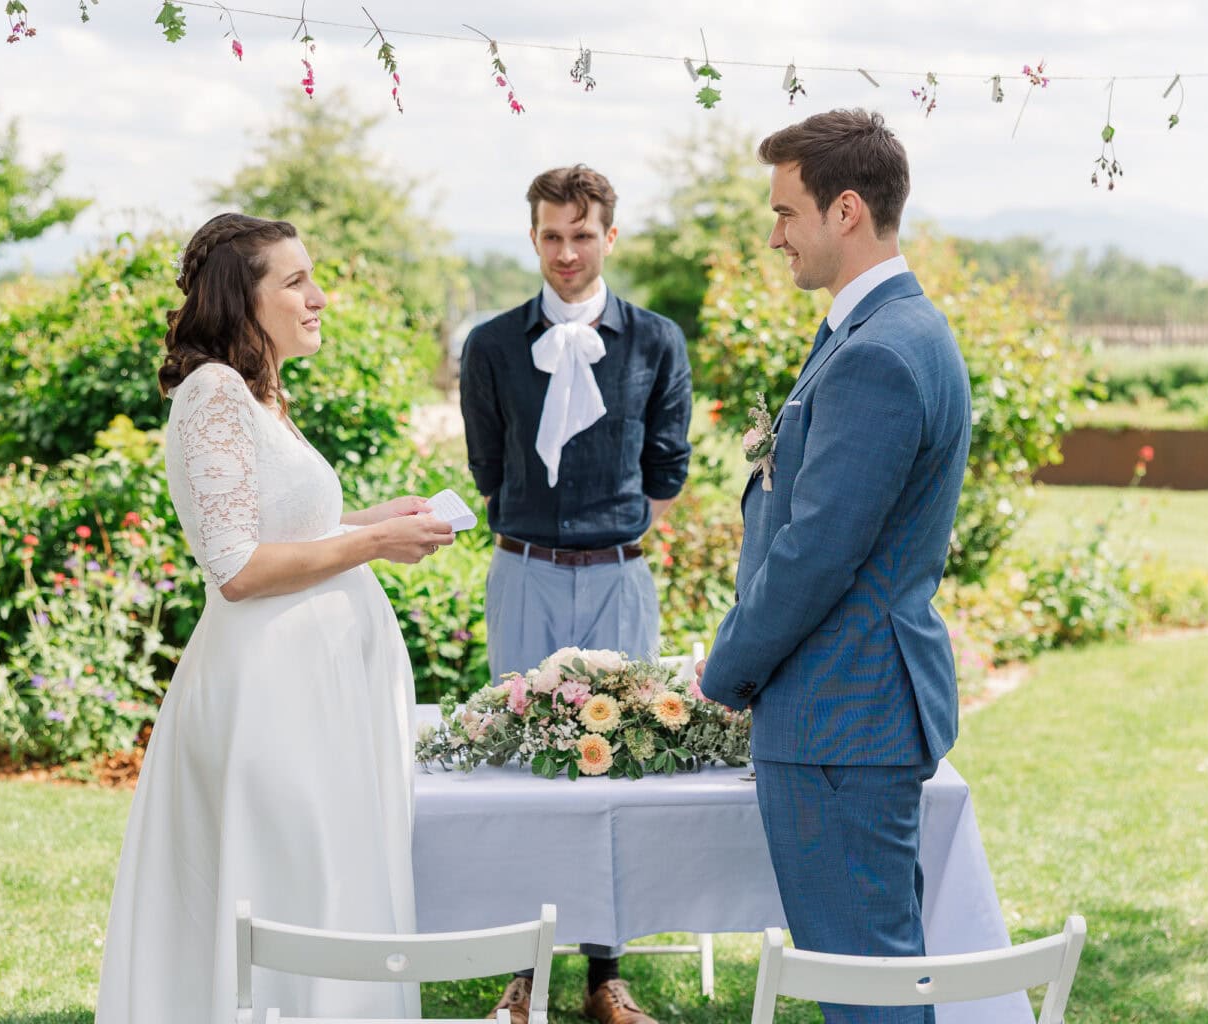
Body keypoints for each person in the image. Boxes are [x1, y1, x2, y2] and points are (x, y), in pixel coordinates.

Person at [95, 212, 456, 1024]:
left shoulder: (258, 396)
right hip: (269, 700)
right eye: (295, 282)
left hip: (309, 693)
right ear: (242, 299)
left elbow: (277, 530)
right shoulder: (214, 393)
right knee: (289, 877)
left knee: (321, 877)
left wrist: (370, 524)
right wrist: (370, 544)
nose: (318, 296)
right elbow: (237, 567)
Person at [697, 110, 972, 1024]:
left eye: (785, 212)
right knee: (872, 971)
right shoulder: (889, 329)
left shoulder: (883, 354)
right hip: (852, 709)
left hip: (839, 713)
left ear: (845, 209)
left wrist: (728, 672)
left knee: (865, 987)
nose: (774, 234)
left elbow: (816, 551)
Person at [458, 165, 692, 1024]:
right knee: (523, 764)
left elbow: (667, 465)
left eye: (582, 235)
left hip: (619, 578)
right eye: (552, 235)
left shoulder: (657, 341)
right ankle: (523, 973)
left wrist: (610, 537)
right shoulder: (489, 345)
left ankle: (605, 976)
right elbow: (488, 466)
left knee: (613, 762)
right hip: (523, 573)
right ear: (533, 237)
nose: (566, 251)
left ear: (610, 238)